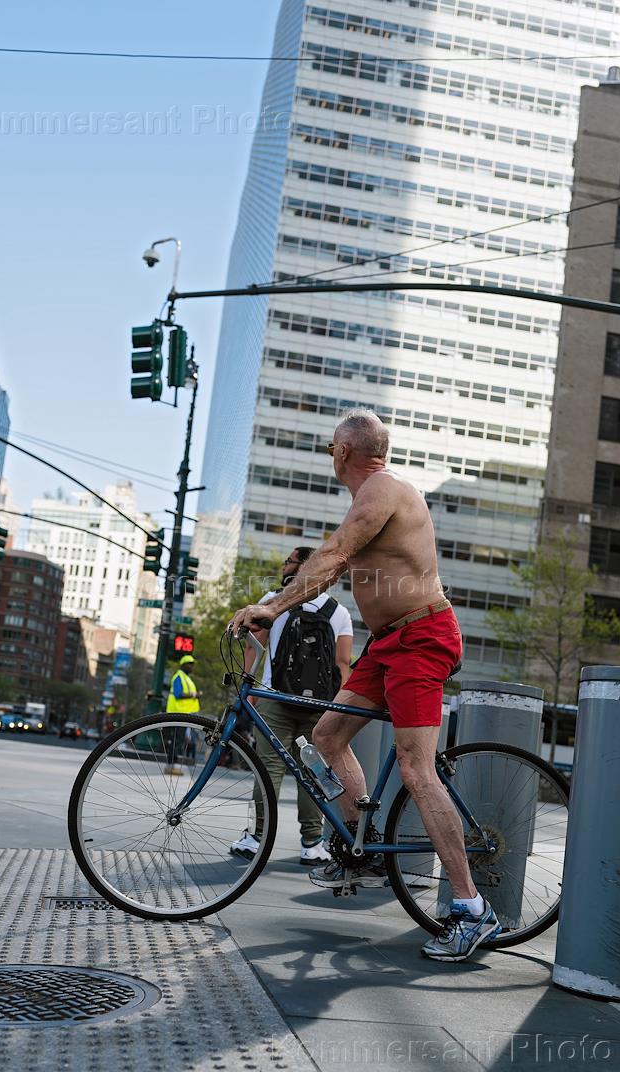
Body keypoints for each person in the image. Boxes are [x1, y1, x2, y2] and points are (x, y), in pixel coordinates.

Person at [231, 409, 499, 963]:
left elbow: (332, 556)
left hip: (422, 638)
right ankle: (364, 849)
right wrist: (278, 605)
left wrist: (273, 607)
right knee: (327, 736)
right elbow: (332, 567)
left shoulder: (382, 489)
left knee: (416, 770)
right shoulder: (369, 497)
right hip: (388, 642)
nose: (331, 456)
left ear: (344, 451)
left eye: (331, 448)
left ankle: (472, 909)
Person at [230, 546, 353, 866]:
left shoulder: (273, 600)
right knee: (314, 771)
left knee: (268, 768)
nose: (284, 566)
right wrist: (339, 708)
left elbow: (254, 647)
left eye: (288, 561)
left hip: (275, 698)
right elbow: (342, 665)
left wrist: (246, 686)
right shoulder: (339, 612)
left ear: (302, 567)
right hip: (319, 705)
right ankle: (312, 843)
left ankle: (256, 838)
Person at [166, 653, 200, 775]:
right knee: (176, 741)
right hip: (177, 714)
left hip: (183, 714)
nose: (192, 667)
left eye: (193, 664)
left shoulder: (186, 677)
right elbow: (178, 694)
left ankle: (171, 765)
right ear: (183, 665)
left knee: (179, 741)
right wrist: (194, 695)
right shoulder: (179, 676)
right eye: (189, 664)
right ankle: (170, 766)